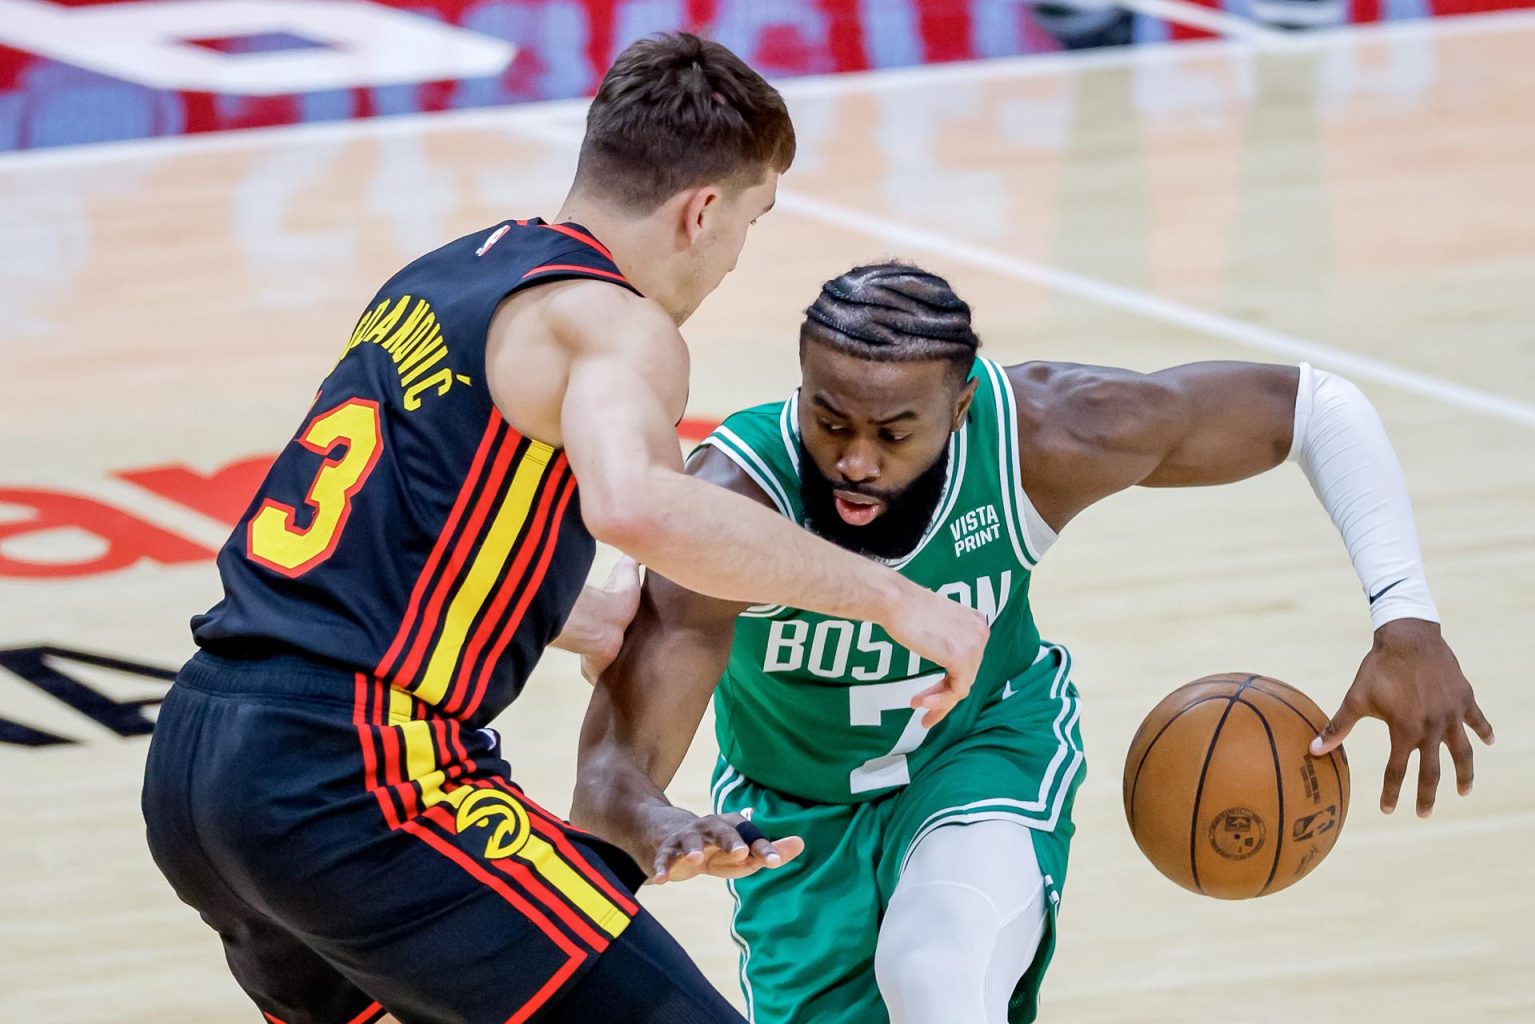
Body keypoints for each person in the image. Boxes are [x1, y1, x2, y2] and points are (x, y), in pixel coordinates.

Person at [140, 39, 990, 1024]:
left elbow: (384, 538)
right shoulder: (615, 324)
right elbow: (635, 505)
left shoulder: (445, 277)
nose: (730, 258)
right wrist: (898, 599)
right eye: (749, 224)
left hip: (203, 760)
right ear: (702, 210)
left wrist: (575, 615)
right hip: (358, 776)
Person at [572, 262, 1495, 1024]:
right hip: (797, 814)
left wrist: (1405, 617)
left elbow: (1316, 408)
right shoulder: (732, 504)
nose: (856, 460)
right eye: (831, 420)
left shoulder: (1049, 435)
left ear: (963, 405)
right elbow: (611, 775)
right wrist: (662, 825)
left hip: (984, 750)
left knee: (936, 977)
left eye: (895, 434)